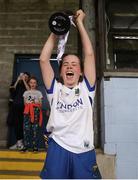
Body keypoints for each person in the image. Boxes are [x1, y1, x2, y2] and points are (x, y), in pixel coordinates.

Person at [40, 9, 101, 179]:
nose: (69, 67)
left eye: (74, 64)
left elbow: (89, 54)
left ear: (81, 72)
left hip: (83, 151)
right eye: (66, 64)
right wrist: (57, 29)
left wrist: (80, 23)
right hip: (58, 147)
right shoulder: (55, 90)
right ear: (60, 72)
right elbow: (44, 60)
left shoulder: (86, 89)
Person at [9, 72, 30, 150]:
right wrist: (18, 80)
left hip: (24, 107)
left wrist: (24, 81)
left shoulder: (27, 84)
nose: (24, 77)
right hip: (15, 107)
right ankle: (18, 143)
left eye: (26, 77)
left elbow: (29, 91)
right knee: (16, 124)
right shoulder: (16, 83)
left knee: (22, 125)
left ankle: (21, 143)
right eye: (24, 76)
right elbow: (11, 90)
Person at [22, 76, 43, 151]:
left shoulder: (39, 93)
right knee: (26, 129)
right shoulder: (26, 92)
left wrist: (35, 103)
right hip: (27, 111)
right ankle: (26, 146)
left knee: (35, 129)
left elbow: (40, 104)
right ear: (29, 83)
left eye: (34, 83)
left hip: (36, 111)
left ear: (36, 84)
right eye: (31, 82)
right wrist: (30, 104)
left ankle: (35, 146)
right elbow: (25, 103)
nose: (33, 84)